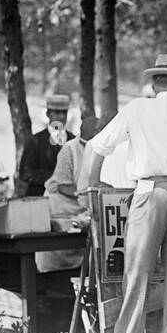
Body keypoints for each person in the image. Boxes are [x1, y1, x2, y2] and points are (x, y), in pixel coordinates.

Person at [80, 54, 167, 333]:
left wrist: (91, 188)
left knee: (138, 269)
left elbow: (99, 147)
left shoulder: (137, 108)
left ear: (153, 83)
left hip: (149, 191)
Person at [35, 115, 99, 274]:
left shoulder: (102, 149)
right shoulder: (69, 149)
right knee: (56, 260)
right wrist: (86, 196)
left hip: (82, 211)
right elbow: (62, 186)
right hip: (61, 208)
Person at [17, 93, 73, 197]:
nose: (61, 116)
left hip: (68, 200)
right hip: (40, 198)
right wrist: (55, 177)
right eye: (57, 112)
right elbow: (25, 173)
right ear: (48, 114)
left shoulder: (73, 140)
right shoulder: (34, 141)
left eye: (64, 112)